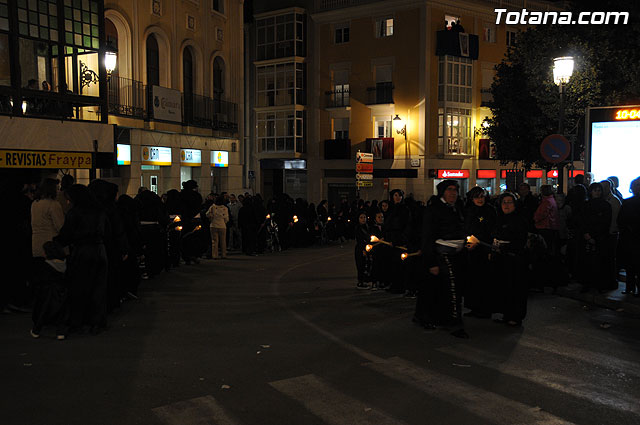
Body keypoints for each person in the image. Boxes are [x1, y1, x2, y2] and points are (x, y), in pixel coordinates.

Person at [414, 180, 469, 338]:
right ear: (442, 192)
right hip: (440, 255)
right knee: (452, 287)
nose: (453, 193)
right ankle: (454, 322)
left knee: (440, 289)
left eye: (455, 190)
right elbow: (427, 236)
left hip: (456, 255)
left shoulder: (457, 208)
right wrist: (430, 261)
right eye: (449, 190)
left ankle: (433, 316)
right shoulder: (434, 210)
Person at [54, 184, 109, 335]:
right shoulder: (100, 211)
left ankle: (79, 321)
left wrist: (56, 243)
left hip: (82, 252)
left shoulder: (75, 213)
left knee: (80, 287)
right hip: (99, 251)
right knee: (98, 288)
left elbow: (66, 234)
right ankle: (96, 321)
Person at [491, 192, 529, 326]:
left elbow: (520, 240)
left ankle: (515, 316)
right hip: (502, 259)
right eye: (504, 202)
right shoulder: (499, 218)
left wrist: (505, 246)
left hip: (514, 259)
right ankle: (507, 314)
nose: (506, 205)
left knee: (515, 288)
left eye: (509, 202)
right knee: (505, 287)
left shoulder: (519, 220)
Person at [463, 186, 496, 318]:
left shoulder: (489, 210)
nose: (480, 199)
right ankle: (474, 307)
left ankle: (485, 308)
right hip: (471, 250)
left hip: (484, 248)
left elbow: (491, 229)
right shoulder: (469, 211)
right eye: (477, 197)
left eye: (482, 196)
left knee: (484, 279)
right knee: (472, 279)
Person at [578, 182, 612, 292]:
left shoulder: (605, 205)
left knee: (599, 262)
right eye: (595, 190)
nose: (597, 192)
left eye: (599, 190)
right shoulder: (586, 205)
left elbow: (605, 223)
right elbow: (582, 221)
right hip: (589, 236)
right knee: (587, 262)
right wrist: (586, 233)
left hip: (600, 237)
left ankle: (598, 284)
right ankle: (587, 283)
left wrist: (593, 235)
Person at [617, 177, 640, 296]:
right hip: (631, 239)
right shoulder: (627, 202)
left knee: (630, 265)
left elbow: (620, 220)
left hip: (629, 238)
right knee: (631, 265)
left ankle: (630, 288)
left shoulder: (627, 202)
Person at [206, 195, 229, 259]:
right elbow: (226, 218)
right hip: (222, 225)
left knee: (214, 241)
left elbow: (207, 214)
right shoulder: (225, 208)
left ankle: (215, 255)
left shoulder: (212, 207)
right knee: (223, 241)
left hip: (213, 225)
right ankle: (223, 254)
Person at [354, 211, 370, 289]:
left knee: (365, 265)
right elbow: (360, 240)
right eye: (361, 218)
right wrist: (363, 249)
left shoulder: (367, 226)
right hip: (360, 249)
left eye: (364, 217)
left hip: (366, 248)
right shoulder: (358, 228)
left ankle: (364, 281)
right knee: (361, 266)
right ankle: (360, 282)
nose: (363, 219)